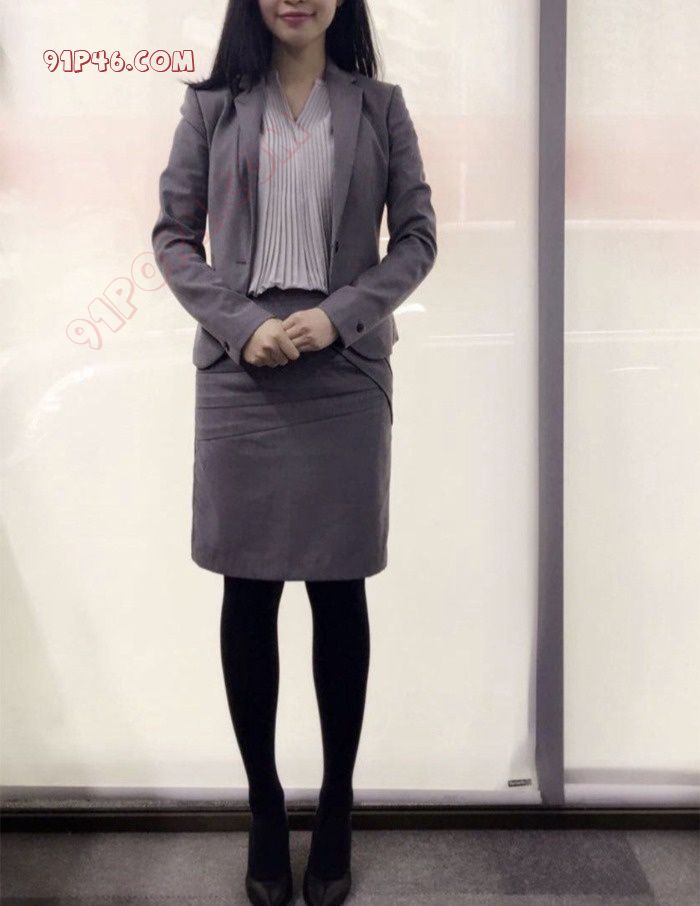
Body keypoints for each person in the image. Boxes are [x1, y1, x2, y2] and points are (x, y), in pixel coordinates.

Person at [151, 1, 437, 903]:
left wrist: (338, 314)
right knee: (249, 590)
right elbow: (173, 238)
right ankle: (266, 808)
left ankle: (338, 803)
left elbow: (418, 238)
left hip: (343, 371)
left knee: (338, 590)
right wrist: (242, 324)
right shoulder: (211, 107)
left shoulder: (380, 106)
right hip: (242, 375)